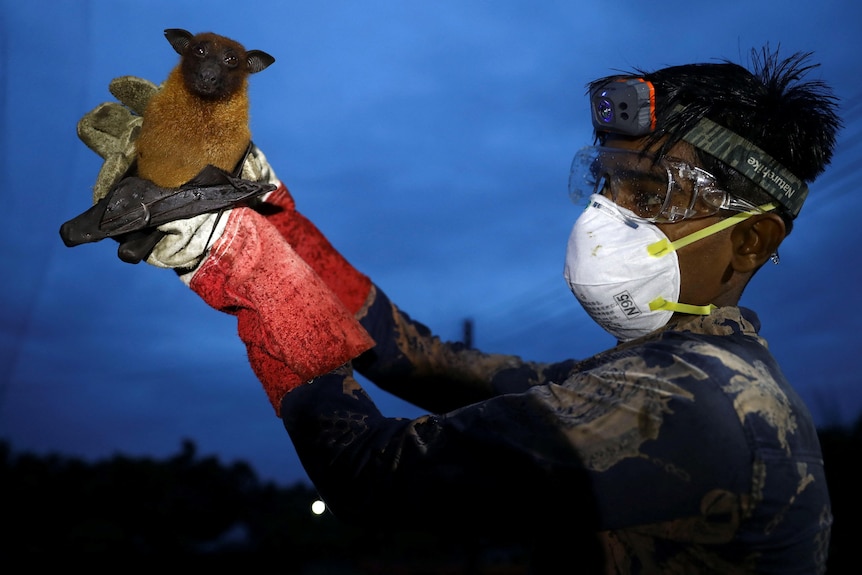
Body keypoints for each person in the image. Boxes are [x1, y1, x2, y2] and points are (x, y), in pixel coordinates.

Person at [72, 46, 841, 573]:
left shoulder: (693, 403)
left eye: (650, 194)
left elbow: (372, 474)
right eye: (608, 182)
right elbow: (424, 360)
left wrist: (241, 264)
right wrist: (267, 210)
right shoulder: (677, 373)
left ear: (750, 241)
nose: (608, 213)